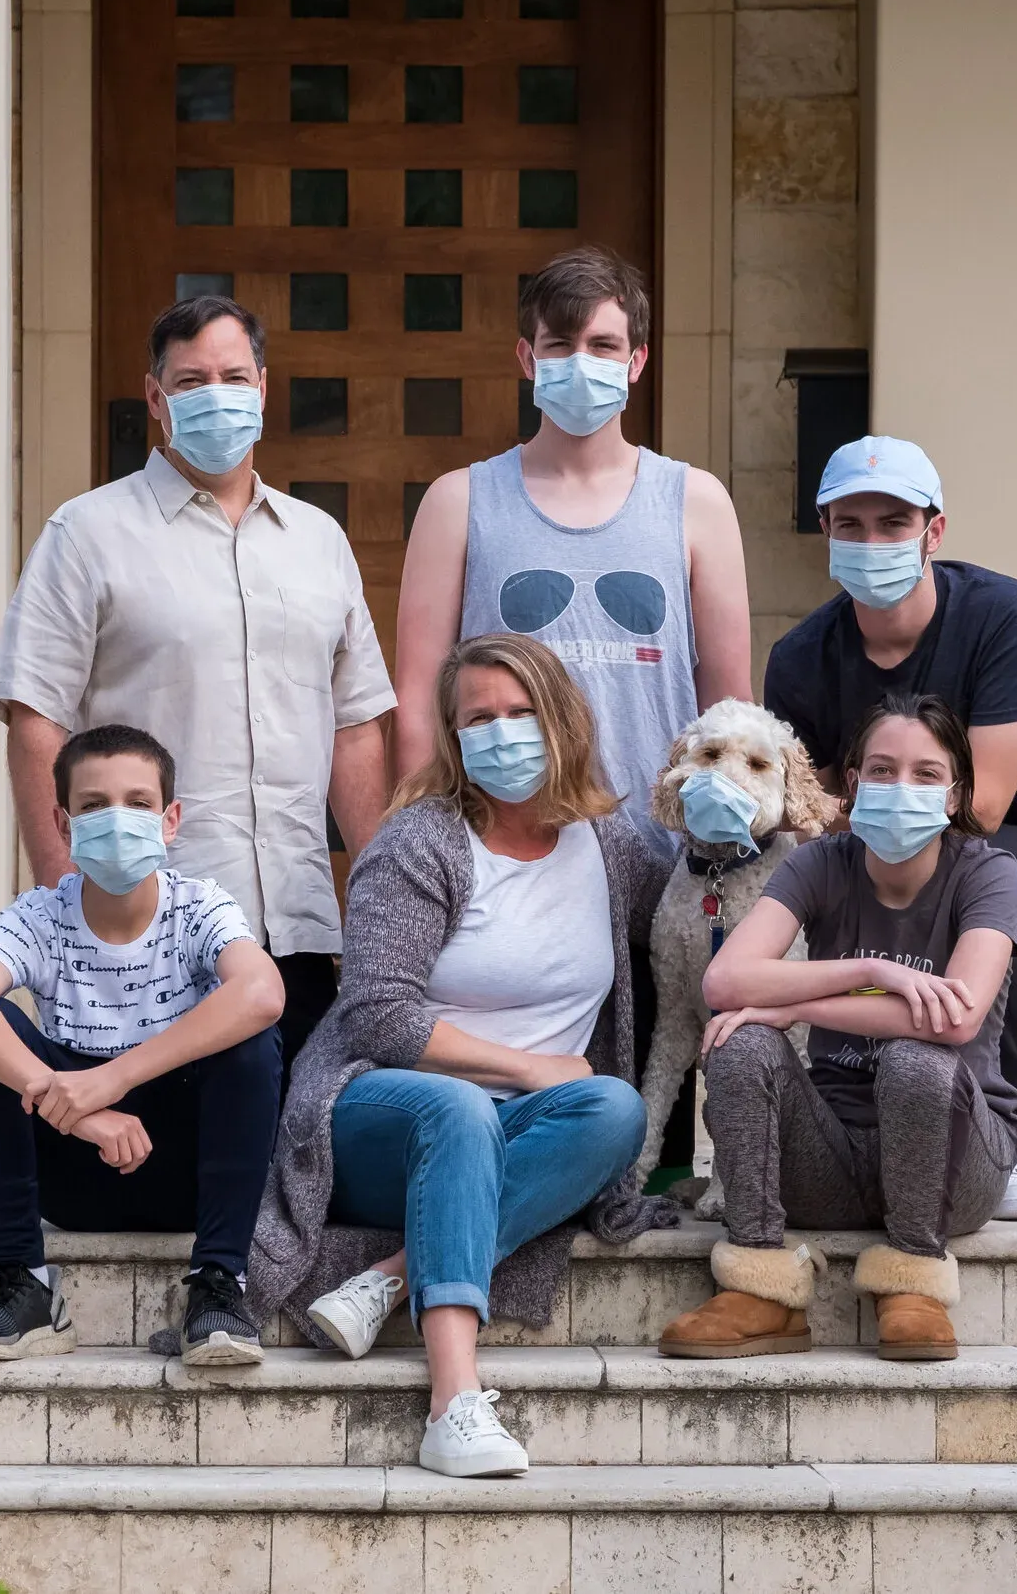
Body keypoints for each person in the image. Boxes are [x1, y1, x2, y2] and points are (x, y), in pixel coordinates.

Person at [249, 633, 673, 1479]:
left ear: (563, 721)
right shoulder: (421, 841)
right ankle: (453, 1401)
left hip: (528, 1128)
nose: (502, 733)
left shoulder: (609, 844)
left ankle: (392, 1276)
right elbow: (376, 1014)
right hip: (381, 1112)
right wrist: (526, 1068)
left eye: (521, 712)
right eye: (479, 718)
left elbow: (685, 924)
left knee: (617, 1108)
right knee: (460, 1107)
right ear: (452, 734)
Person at [394, 246, 751, 1186]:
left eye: (602, 344)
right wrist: (424, 844)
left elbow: (731, 702)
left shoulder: (695, 502)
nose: (580, 363)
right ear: (527, 358)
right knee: (501, 1128)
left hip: (659, 867)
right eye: (559, 345)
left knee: (643, 1154)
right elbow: (419, 694)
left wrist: (728, 848)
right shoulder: (461, 500)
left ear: (638, 360)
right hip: (505, 870)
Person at [0, 295, 394, 1069]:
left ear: (263, 388)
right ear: (155, 396)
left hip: (295, 923)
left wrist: (380, 903)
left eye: (234, 377)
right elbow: (36, 714)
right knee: (145, 1134)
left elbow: (354, 725)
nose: (217, 395)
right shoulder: (88, 532)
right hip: (145, 924)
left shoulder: (318, 541)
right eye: (192, 380)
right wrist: (65, 898)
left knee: (294, 1130)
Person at [762, 435, 1017, 1221]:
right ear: (825, 530)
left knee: (987, 885)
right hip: (864, 852)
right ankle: (854, 1108)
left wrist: (881, 825)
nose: (871, 541)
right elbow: (810, 809)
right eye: (851, 524)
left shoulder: (1001, 614)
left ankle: (1015, 1131)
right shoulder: (799, 658)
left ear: (933, 530)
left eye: (894, 522)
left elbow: (986, 805)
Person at [659, 694, 1017, 1363]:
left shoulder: (988, 872)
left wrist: (801, 1004)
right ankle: (759, 1287)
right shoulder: (820, 862)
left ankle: (915, 1281)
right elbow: (725, 982)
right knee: (740, 1039)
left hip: (956, 1162)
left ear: (954, 795)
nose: (901, 787)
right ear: (852, 783)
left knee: (915, 1056)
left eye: (925, 773)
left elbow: (955, 1017)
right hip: (832, 1155)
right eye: (882, 770)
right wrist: (872, 971)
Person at [0, 724, 286, 1365]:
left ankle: (219, 1284)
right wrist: (85, 1113)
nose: (117, 820)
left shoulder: (199, 908)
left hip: (184, 1174)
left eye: (138, 802)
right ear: (63, 825)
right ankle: (20, 1282)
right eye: (94, 805)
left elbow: (262, 993)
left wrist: (112, 1079)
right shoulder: (40, 915)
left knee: (249, 1039)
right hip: (72, 1171)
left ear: (170, 819)